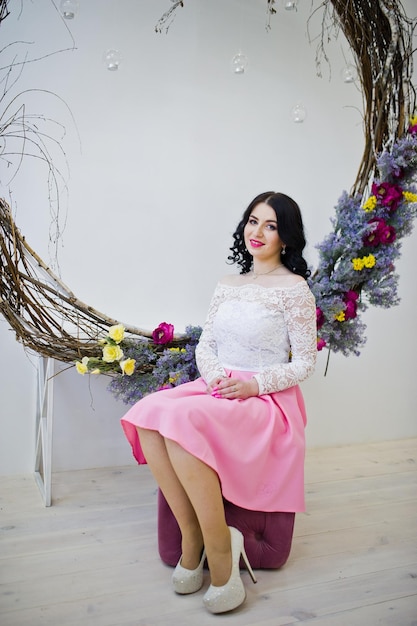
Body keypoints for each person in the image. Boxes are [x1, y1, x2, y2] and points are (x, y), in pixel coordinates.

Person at [121, 191, 317, 614]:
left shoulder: (295, 289)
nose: (258, 232)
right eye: (252, 221)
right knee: (150, 414)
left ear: (286, 237)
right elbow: (206, 344)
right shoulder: (228, 284)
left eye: (270, 225)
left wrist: (252, 386)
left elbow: (304, 362)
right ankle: (194, 537)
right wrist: (215, 378)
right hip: (218, 384)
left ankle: (224, 564)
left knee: (182, 423)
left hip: (263, 398)